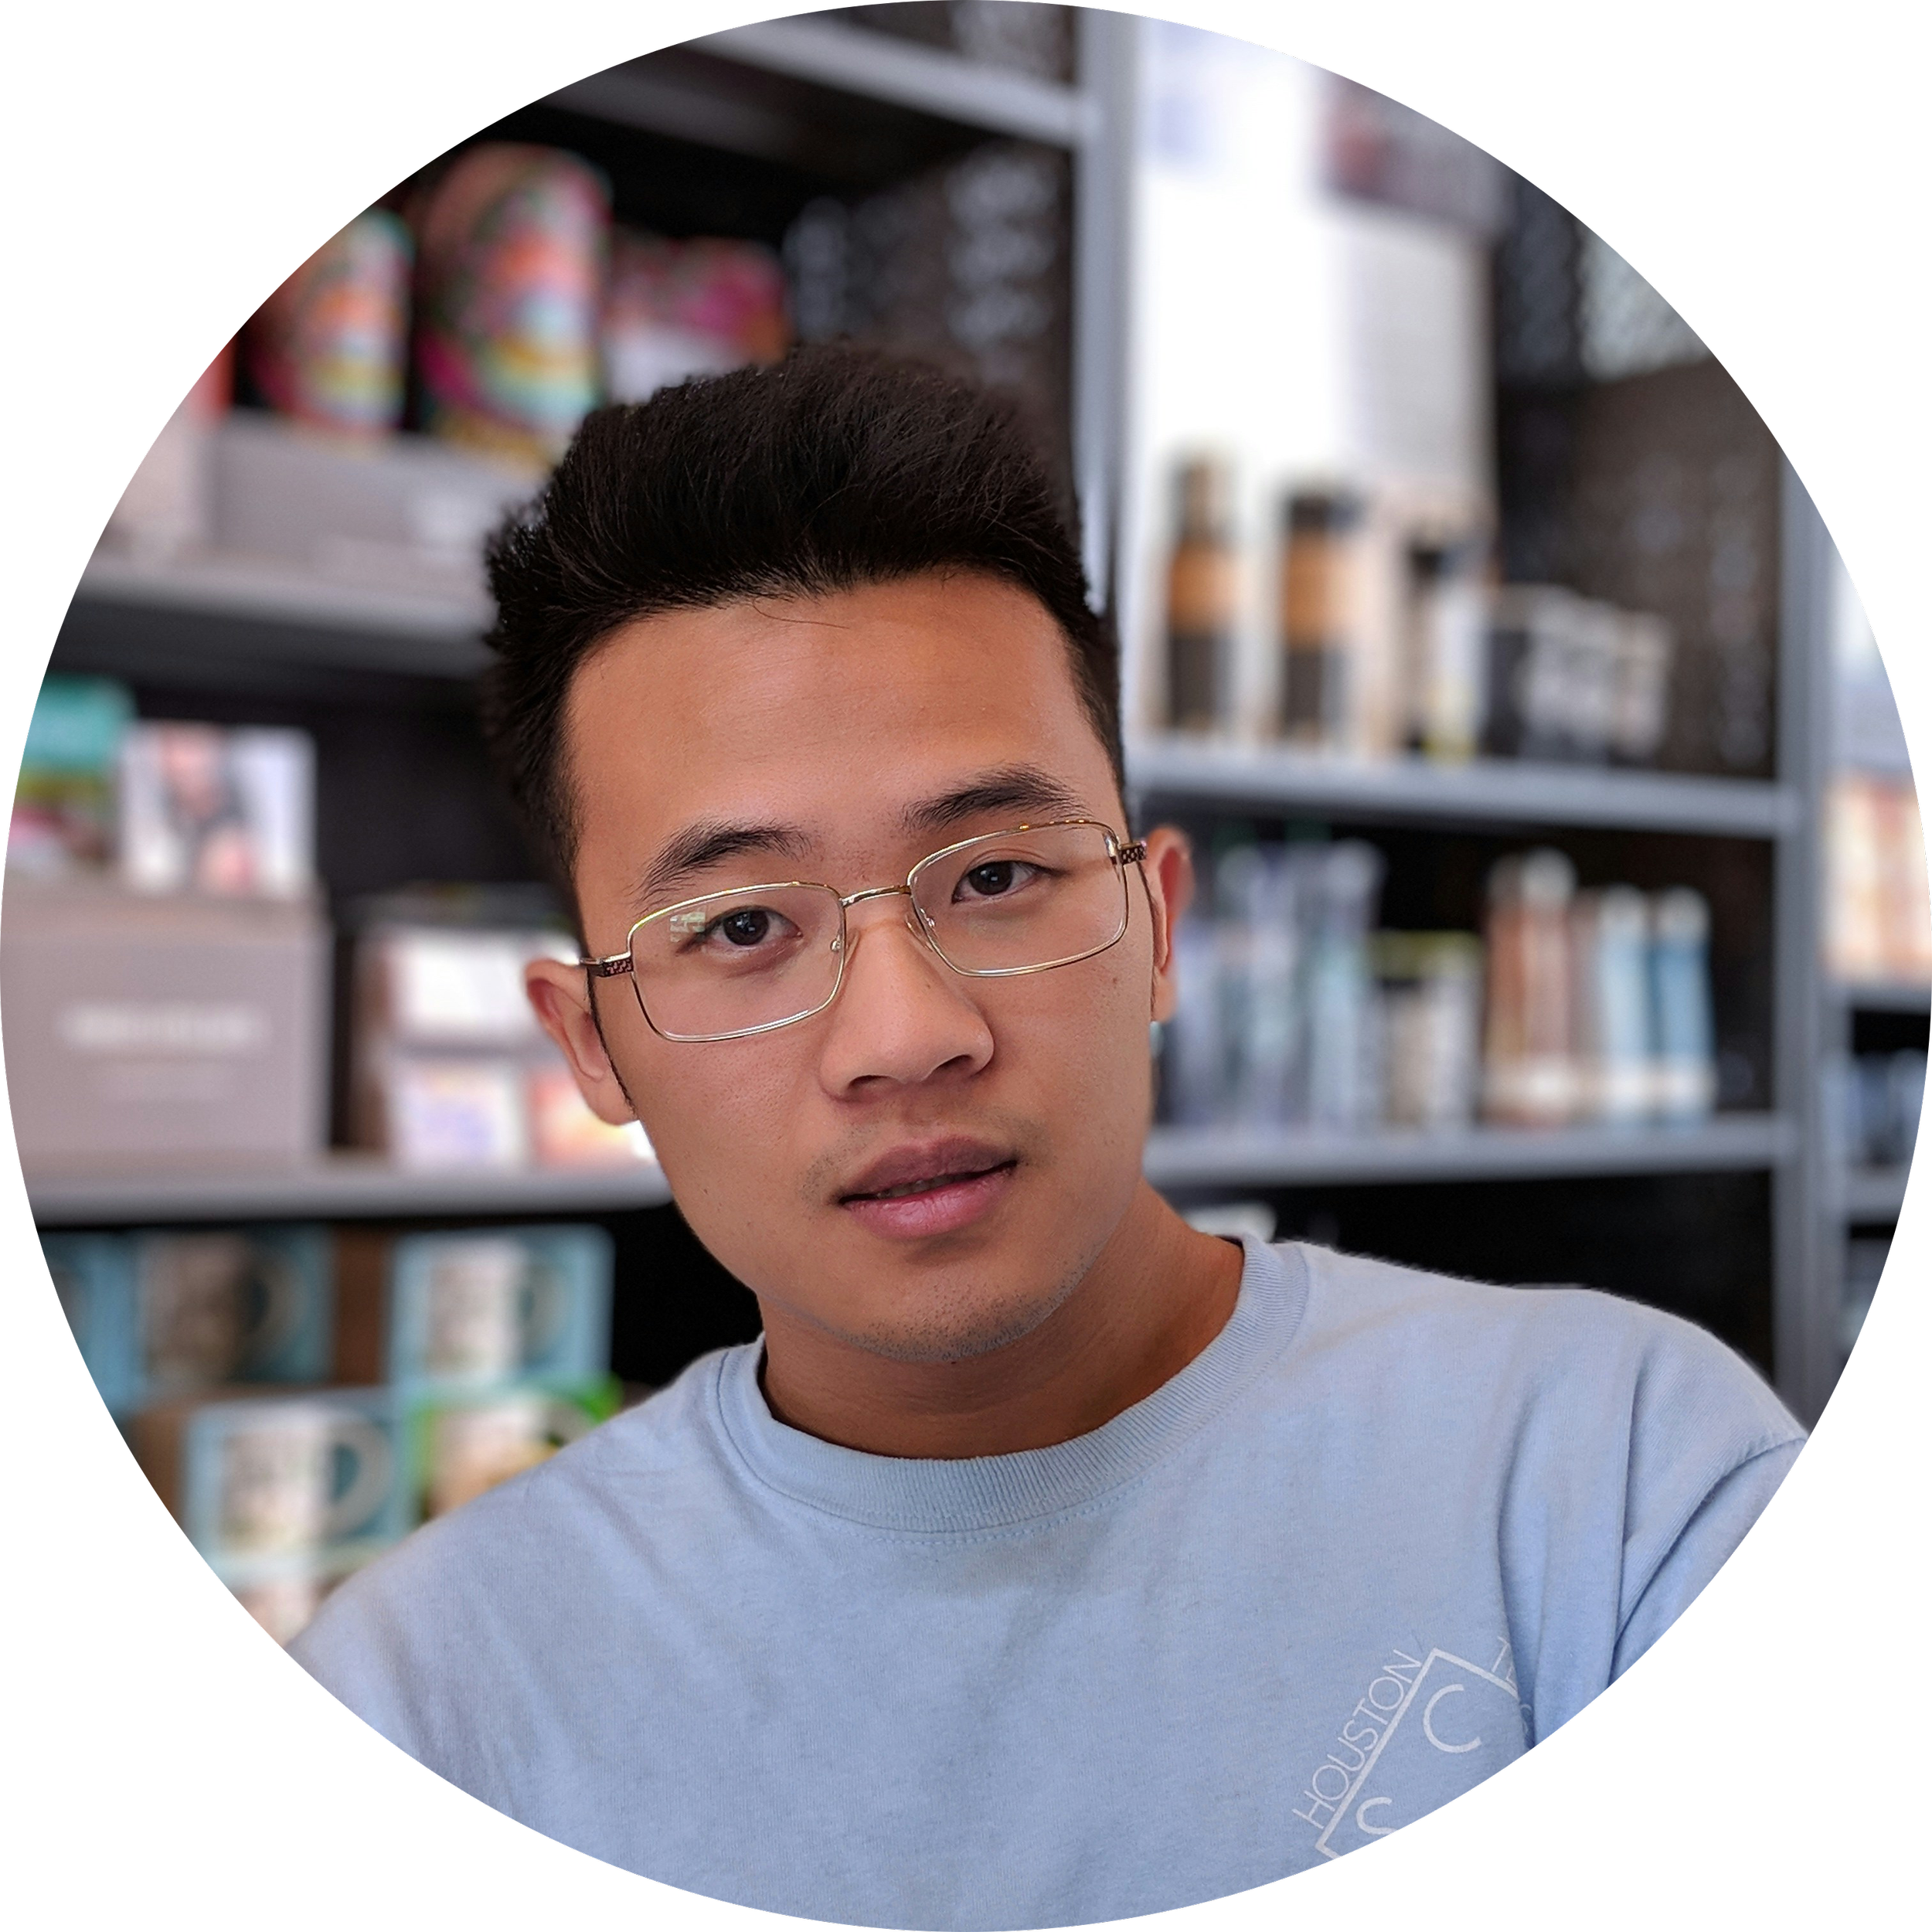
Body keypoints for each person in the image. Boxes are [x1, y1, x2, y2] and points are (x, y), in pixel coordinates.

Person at [289, 346, 1806, 1930]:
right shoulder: (426, 1691)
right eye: (740, 925)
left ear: (1158, 928)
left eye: (998, 877)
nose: (905, 1036)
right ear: (594, 1044)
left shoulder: (1615, 1478)